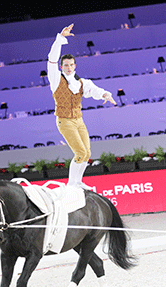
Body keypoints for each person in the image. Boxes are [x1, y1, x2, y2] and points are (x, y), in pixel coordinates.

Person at [47, 23, 117, 190]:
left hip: (79, 120)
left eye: (71, 65)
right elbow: (52, 59)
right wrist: (60, 38)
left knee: (87, 153)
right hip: (65, 121)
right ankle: (72, 184)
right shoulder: (56, 78)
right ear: (61, 67)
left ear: (75, 66)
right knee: (79, 153)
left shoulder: (81, 82)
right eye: (66, 65)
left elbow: (93, 90)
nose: (69, 68)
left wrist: (105, 94)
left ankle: (78, 182)